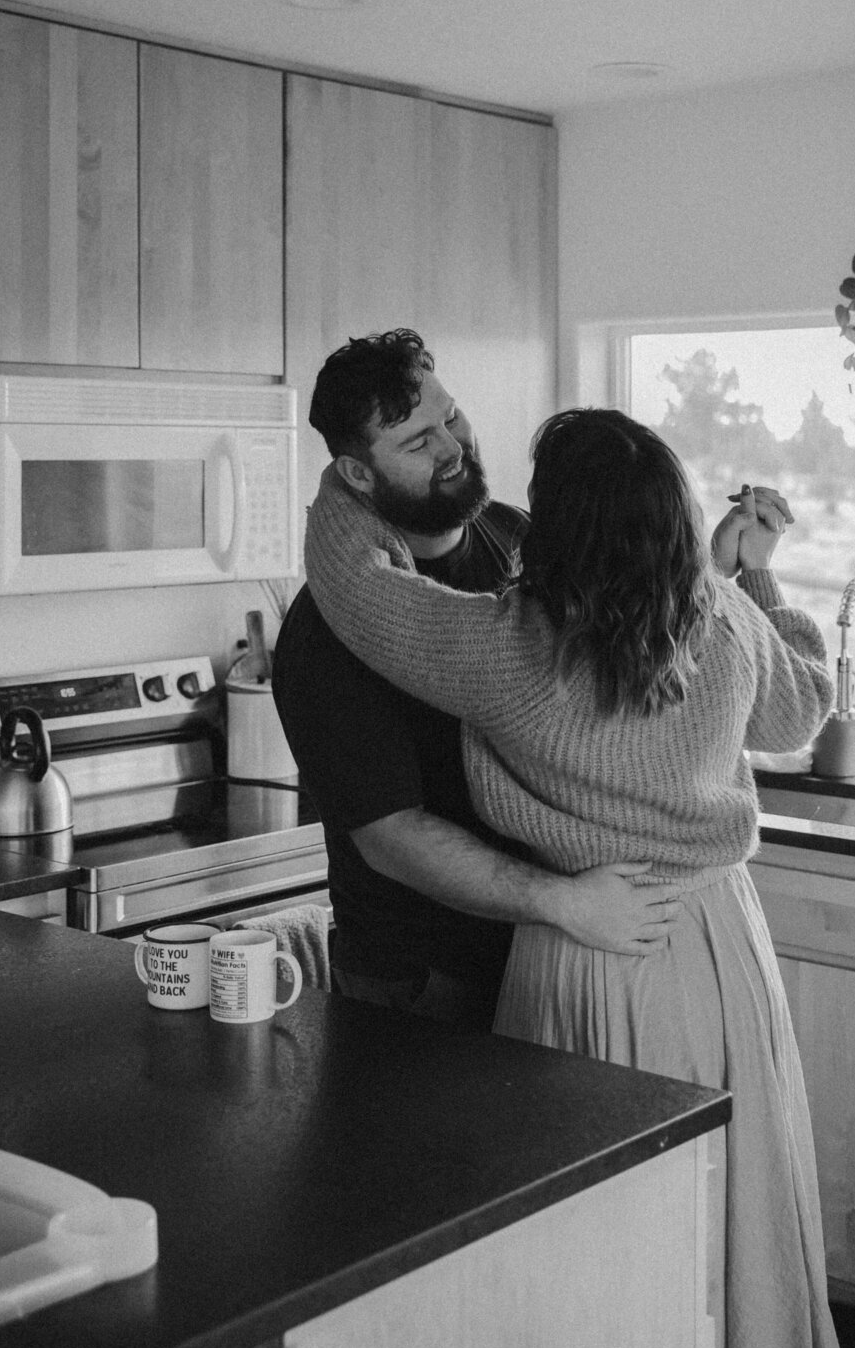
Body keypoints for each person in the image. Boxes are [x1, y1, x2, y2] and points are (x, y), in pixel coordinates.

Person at [301, 405, 845, 1348]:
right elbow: (806, 700)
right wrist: (749, 568)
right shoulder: (728, 626)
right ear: (676, 519)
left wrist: (351, 476)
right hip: (721, 946)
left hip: (590, 939)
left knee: (597, 1237)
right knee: (733, 1206)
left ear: (555, 527)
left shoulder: (509, 649)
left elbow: (355, 593)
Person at [271, 333, 680, 1031]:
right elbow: (391, 836)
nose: (453, 447)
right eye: (417, 441)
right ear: (358, 476)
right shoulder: (327, 634)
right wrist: (563, 902)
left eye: (450, 417)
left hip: (544, 950)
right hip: (423, 980)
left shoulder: (514, 536)